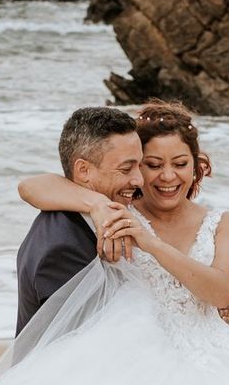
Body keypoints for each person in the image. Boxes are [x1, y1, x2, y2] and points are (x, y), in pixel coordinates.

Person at [0, 101, 229, 385]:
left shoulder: (224, 223)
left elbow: (221, 293)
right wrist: (97, 203)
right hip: (135, 353)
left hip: (212, 354)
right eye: (151, 165)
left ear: (196, 166)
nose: (167, 176)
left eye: (180, 163)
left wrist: (150, 243)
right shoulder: (117, 210)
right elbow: (31, 186)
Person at [14, 106, 143, 335]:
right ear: (84, 170)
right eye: (126, 168)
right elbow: (80, 349)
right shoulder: (63, 249)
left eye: (141, 165)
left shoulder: (106, 213)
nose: (139, 180)